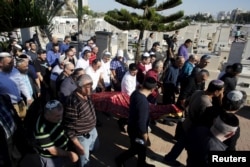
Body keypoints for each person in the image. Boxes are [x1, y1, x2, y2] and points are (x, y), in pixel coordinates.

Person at [115, 77, 157, 167]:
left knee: (142, 149)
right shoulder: (143, 103)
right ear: (153, 90)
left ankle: (141, 163)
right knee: (136, 149)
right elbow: (141, 124)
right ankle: (119, 160)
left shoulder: (136, 92)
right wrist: (145, 138)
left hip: (132, 125)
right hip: (137, 131)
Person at [63, 74, 99, 167]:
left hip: (92, 130)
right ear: (79, 87)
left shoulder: (87, 95)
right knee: (85, 162)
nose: (89, 89)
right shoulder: (73, 102)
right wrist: (78, 145)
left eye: (91, 86)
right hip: (82, 137)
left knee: (95, 147)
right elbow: (69, 127)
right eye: (87, 87)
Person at [34, 100, 78, 167]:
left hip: (63, 152)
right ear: (48, 115)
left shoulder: (55, 118)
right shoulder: (41, 130)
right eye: (57, 116)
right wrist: (69, 154)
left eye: (61, 114)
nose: (60, 118)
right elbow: (53, 151)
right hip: (52, 159)